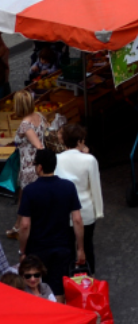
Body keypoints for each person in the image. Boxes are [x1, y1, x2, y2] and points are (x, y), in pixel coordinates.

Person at [17, 147, 84, 296]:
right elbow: (78, 220)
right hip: (62, 246)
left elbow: (25, 225)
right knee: (58, 287)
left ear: (39, 167)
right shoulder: (68, 187)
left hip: (37, 248)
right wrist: (80, 248)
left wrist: (22, 251)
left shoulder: (30, 190)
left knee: (36, 286)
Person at [55, 124, 103, 275]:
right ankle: (89, 278)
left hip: (63, 211)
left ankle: (68, 278)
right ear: (80, 140)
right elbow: (95, 186)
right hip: (86, 211)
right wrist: (99, 211)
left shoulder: (56, 159)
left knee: (67, 246)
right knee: (87, 245)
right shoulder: (89, 160)